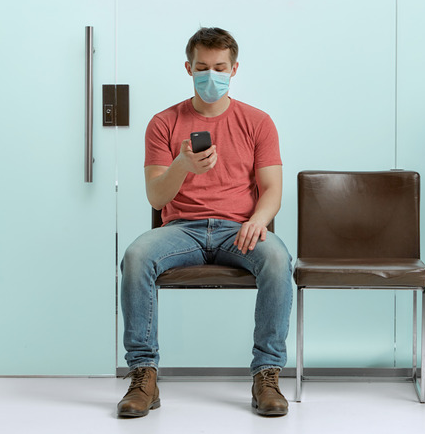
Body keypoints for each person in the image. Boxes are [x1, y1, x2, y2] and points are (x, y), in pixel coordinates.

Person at [117, 27, 293, 418]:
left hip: (239, 229)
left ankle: (267, 374)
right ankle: (143, 374)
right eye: (201, 67)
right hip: (182, 229)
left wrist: (258, 219)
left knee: (279, 259)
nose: (210, 75)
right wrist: (182, 164)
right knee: (135, 256)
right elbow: (156, 197)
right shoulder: (163, 123)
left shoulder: (258, 122)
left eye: (218, 67)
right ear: (188, 68)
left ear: (233, 70)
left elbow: (272, 190)